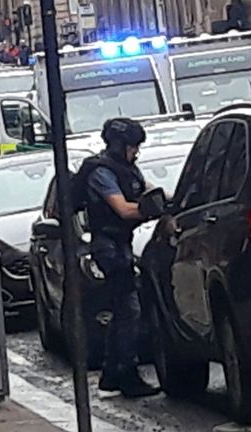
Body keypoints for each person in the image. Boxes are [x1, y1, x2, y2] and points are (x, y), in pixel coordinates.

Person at [77, 118, 162, 397]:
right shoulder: (101, 172)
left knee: (123, 310)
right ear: (118, 145)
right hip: (108, 247)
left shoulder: (127, 169)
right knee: (130, 308)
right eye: (132, 146)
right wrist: (152, 210)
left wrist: (176, 202)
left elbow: (150, 190)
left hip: (120, 244)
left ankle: (111, 373)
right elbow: (124, 210)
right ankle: (126, 372)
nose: (136, 152)